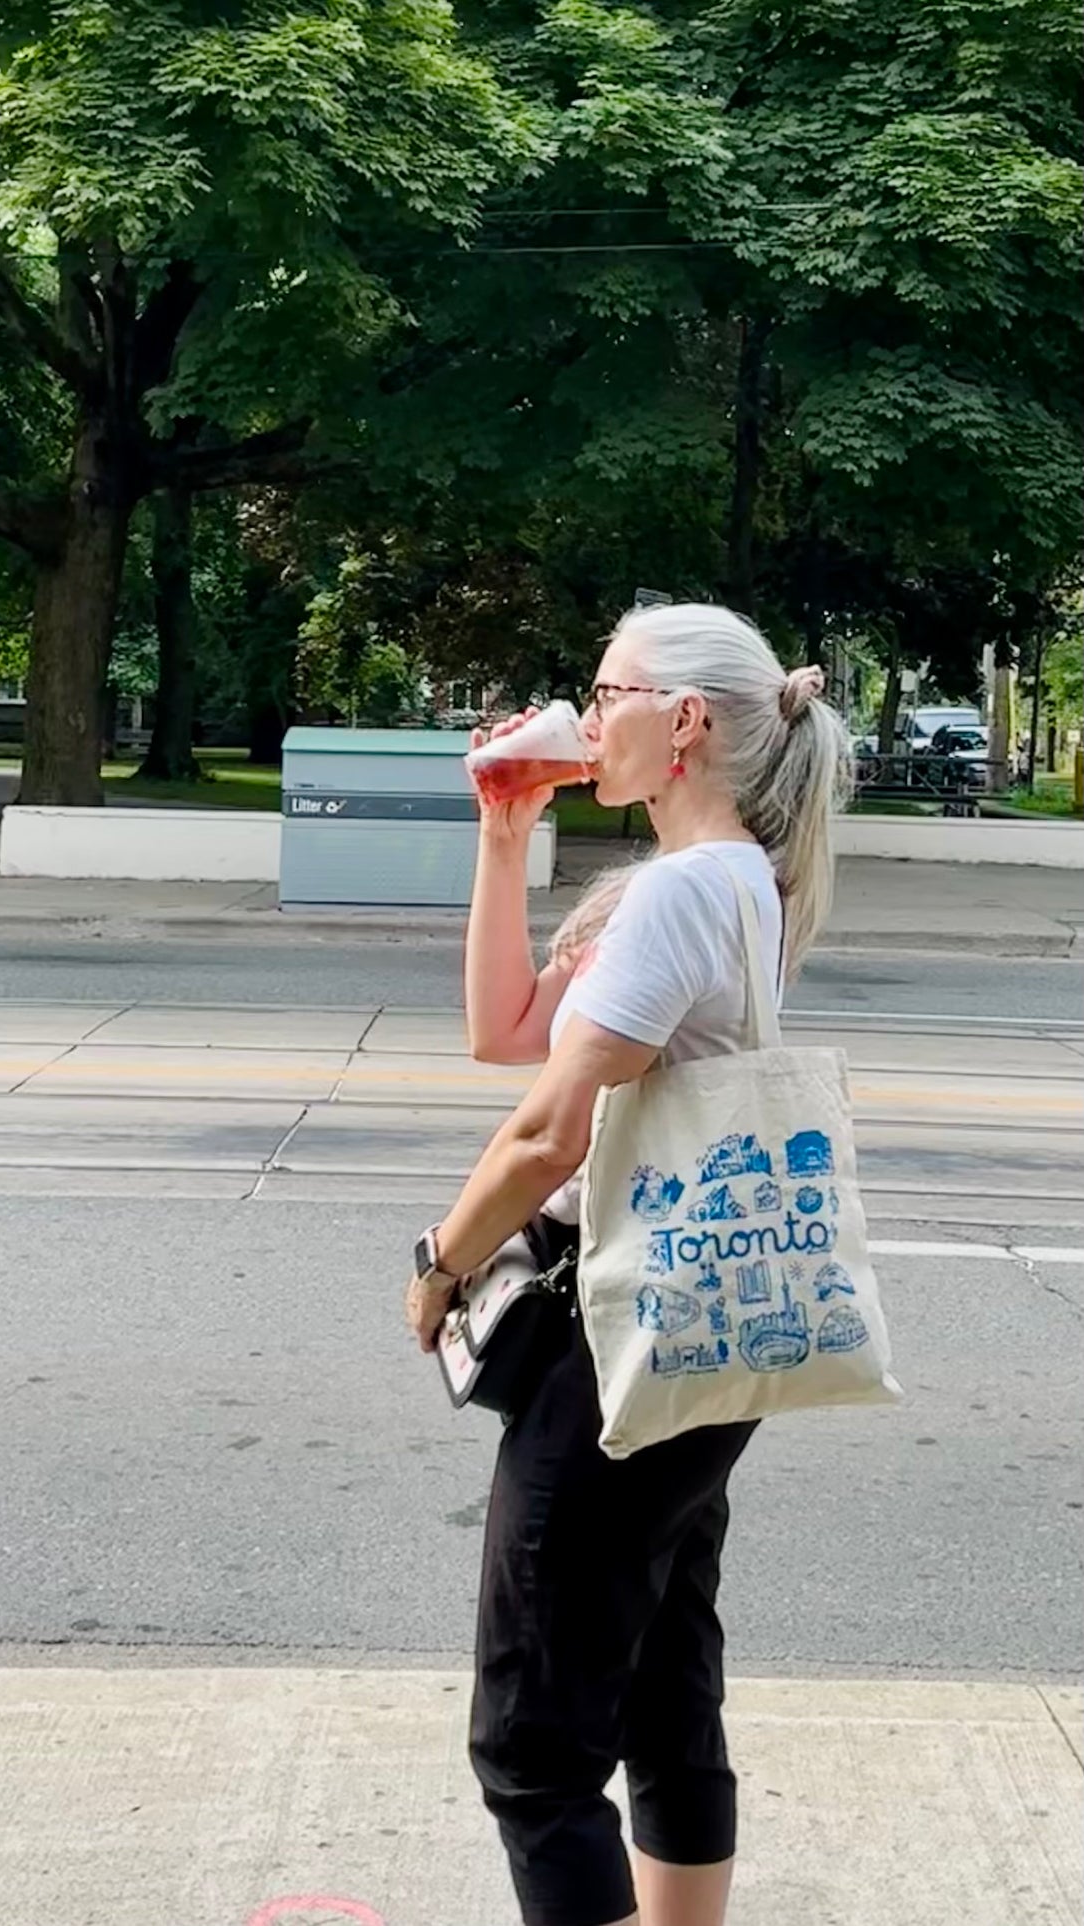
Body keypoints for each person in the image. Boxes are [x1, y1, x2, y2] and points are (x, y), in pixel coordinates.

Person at [404, 602, 850, 1926]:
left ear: (688, 721)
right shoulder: (713, 883)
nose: (589, 718)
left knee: (532, 1751)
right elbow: (504, 1031)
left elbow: (543, 1127)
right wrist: (502, 828)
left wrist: (441, 1258)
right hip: (692, 1329)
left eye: (611, 693)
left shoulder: (681, 888)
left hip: (615, 1334)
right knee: (661, 1686)